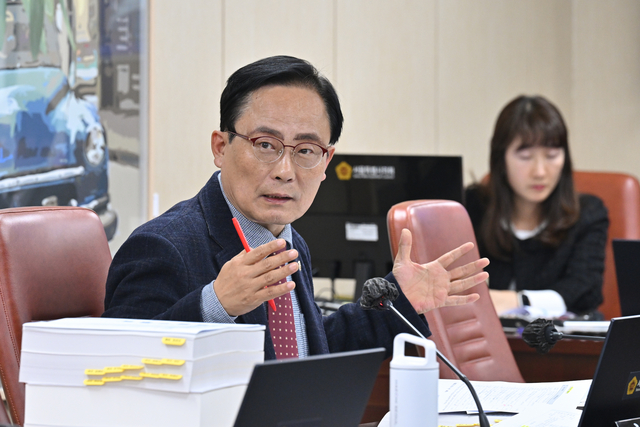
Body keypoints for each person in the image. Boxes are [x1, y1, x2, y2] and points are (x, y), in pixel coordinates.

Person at [103, 55, 489, 360]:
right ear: (221, 147)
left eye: (305, 150)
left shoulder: (290, 243)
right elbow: (116, 367)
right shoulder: (161, 247)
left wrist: (399, 298)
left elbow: (305, 354)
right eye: (265, 145)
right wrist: (216, 304)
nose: (285, 171)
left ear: (326, 160)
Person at [465, 95, 609, 317]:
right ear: (501, 159)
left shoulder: (588, 213)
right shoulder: (471, 207)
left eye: (551, 155)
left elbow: (584, 292)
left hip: (561, 337)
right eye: (525, 157)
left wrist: (515, 300)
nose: (540, 172)